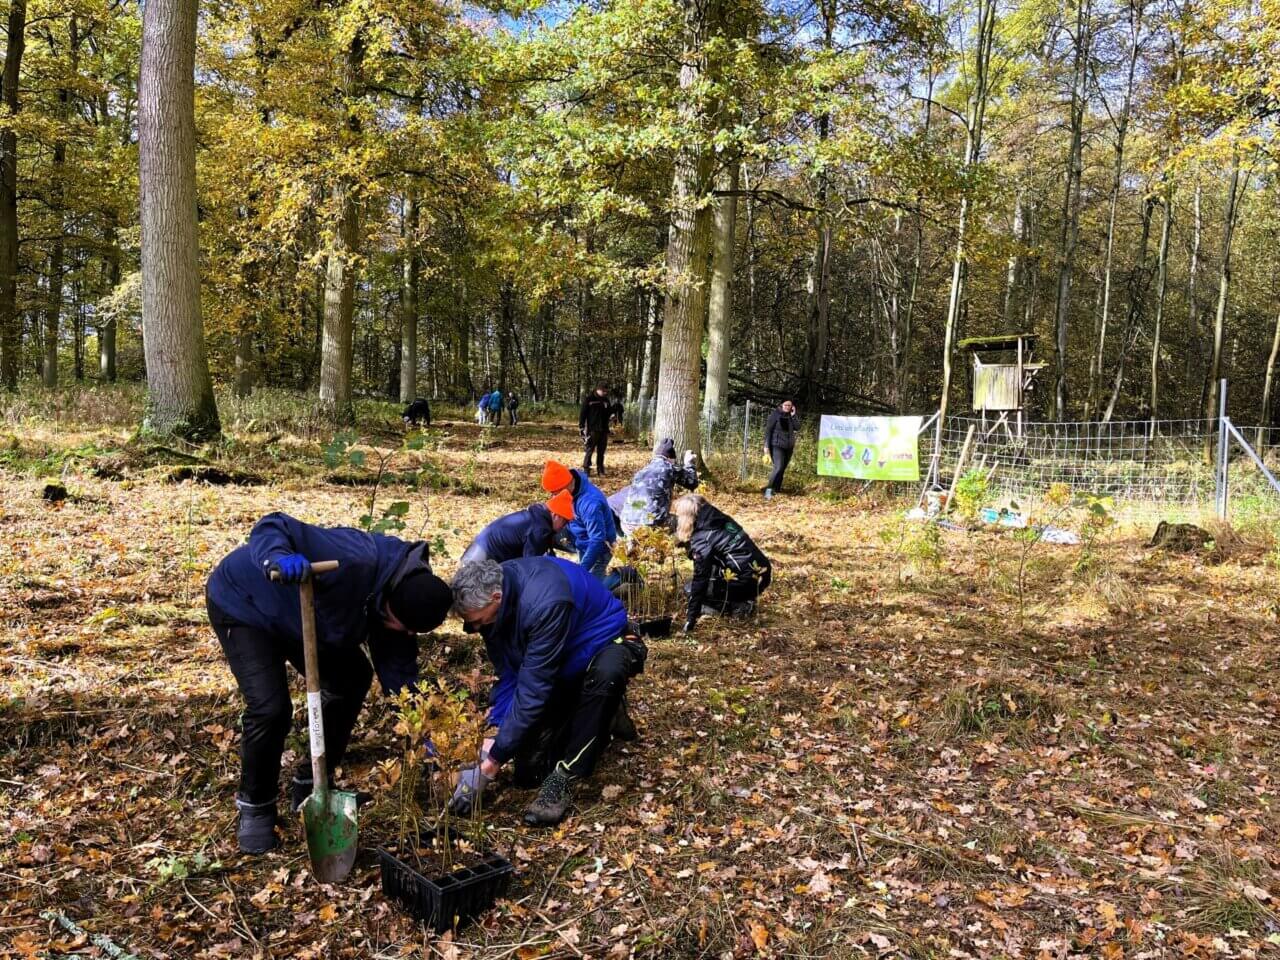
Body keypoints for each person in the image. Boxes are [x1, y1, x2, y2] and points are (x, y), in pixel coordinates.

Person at [205, 512, 452, 853]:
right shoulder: (354, 557)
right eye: (404, 627)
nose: (406, 635)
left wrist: (425, 735)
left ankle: (313, 782)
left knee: (352, 677)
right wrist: (277, 557)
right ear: (389, 605)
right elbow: (272, 524)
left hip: (305, 617)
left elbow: (402, 680)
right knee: (270, 707)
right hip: (246, 605)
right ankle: (256, 807)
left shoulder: (402, 603)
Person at [447, 557, 646, 826]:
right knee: (528, 774)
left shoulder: (545, 603)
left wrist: (491, 764)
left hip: (603, 641)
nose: (475, 628)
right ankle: (604, 713)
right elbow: (509, 673)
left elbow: (532, 689)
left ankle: (566, 776)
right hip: (562, 657)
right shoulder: (495, 609)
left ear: (496, 597)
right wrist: (497, 735)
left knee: (606, 676)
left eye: (477, 621)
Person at [672, 494, 771, 632]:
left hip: (745, 581)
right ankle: (743, 598)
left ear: (686, 517)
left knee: (689, 588)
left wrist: (691, 618)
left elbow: (701, 579)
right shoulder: (721, 520)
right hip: (762, 572)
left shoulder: (702, 538)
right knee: (713, 572)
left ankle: (736, 606)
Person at [541, 459, 616, 580]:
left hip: (598, 550)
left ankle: (620, 579)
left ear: (565, 486)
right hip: (580, 540)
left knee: (590, 586)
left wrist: (581, 570)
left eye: (555, 493)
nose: (553, 497)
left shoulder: (590, 504)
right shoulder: (570, 486)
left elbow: (597, 540)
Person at [460, 491, 575, 565]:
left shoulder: (537, 517)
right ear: (555, 515)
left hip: (476, 550)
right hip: (482, 561)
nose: (565, 526)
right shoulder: (539, 529)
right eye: (565, 521)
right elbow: (530, 566)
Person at [617, 438, 699, 536]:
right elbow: (692, 482)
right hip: (652, 525)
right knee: (687, 524)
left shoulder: (641, 472)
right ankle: (679, 545)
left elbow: (640, 503)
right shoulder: (669, 467)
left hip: (626, 523)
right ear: (670, 459)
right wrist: (689, 463)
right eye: (674, 461)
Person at [764, 399, 799, 497]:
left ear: (792, 407)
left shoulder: (791, 416)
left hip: (789, 447)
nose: (787, 407)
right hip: (777, 445)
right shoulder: (775, 415)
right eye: (786, 405)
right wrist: (766, 446)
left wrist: (794, 415)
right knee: (778, 467)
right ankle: (768, 491)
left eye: (789, 405)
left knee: (782, 468)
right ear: (781, 405)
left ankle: (777, 489)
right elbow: (768, 431)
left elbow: (797, 427)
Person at [579, 384, 612, 476]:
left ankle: (600, 469)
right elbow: (583, 414)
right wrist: (581, 427)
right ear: (597, 390)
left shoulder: (606, 400)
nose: (605, 393)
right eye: (603, 391)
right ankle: (586, 469)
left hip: (603, 430)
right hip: (592, 429)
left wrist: (612, 413)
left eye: (606, 391)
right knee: (589, 450)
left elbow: (609, 413)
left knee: (601, 451)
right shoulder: (589, 399)